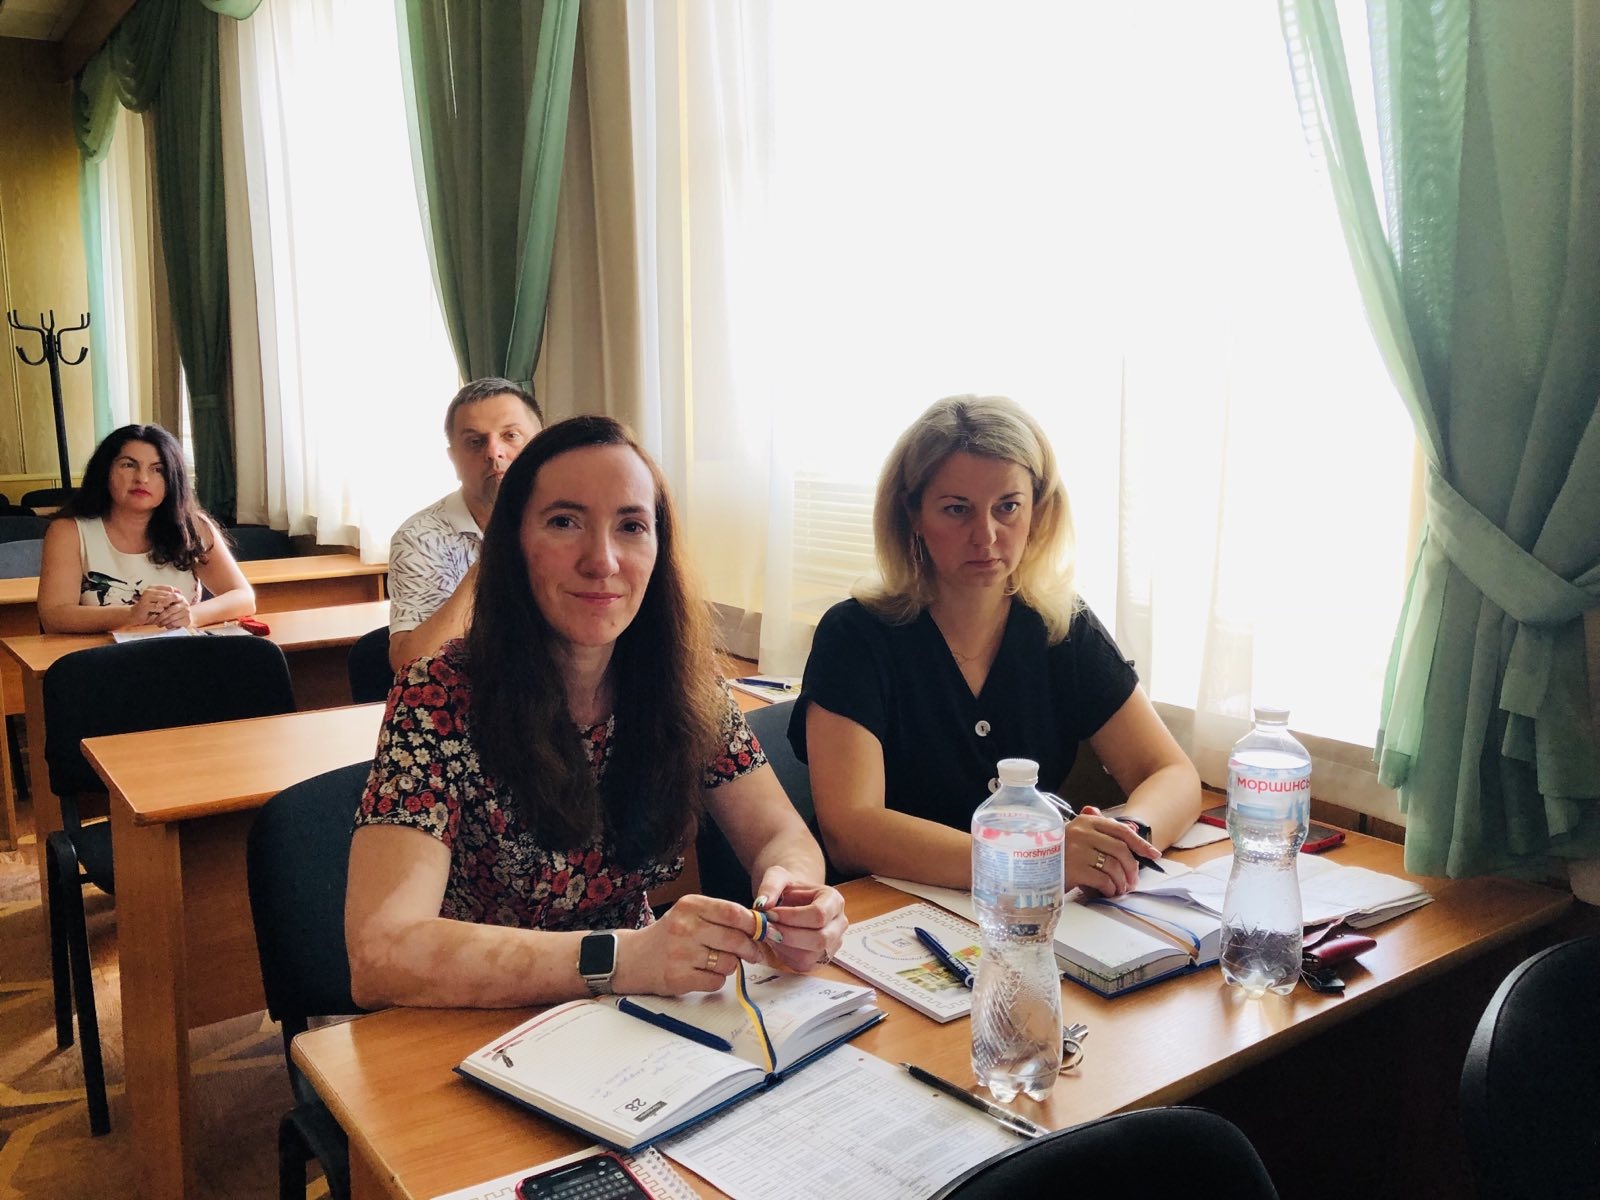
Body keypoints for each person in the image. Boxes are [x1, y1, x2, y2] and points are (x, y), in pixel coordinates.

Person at [346, 415, 846, 1008]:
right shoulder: (437, 694)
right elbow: (382, 952)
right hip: (477, 1014)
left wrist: (796, 892)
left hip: (637, 1007)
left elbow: (779, 833)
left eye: (631, 526)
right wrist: (621, 957)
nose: (602, 560)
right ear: (513, 544)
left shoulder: (684, 683)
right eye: (565, 522)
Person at [790, 395, 1201, 897]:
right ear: (912, 513)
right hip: (884, 912)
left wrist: (1124, 837)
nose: (985, 536)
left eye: (1008, 507)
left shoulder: (1060, 625)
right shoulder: (855, 635)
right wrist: (1031, 860)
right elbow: (850, 830)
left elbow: (1173, 773)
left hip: (1023, 914)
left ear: (1038, 510)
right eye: (956, 510)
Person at [386, 377, 543, 672]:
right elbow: (412, 664)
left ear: (541, 447)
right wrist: (498, 548)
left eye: (511, 436)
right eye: (475, 442)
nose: (493, 452)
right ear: (453, 459)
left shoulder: (573, 521)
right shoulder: (420, 537)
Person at [37, 424, 255, 633]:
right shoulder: (68, 531)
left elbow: (243, 597)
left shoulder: (193, 528)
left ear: (172, 480)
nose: (142, 478)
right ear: (105, 471)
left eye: (158, 469)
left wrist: (193, 615)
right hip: (99, 654)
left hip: (178, 650)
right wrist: (130, 615)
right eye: (128, 465)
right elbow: (54, 616)